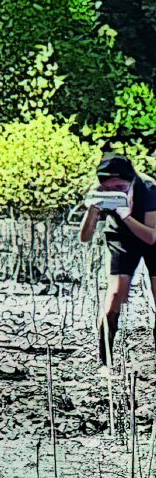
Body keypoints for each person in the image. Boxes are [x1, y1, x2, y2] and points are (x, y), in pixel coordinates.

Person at [80, 155, 156, 365]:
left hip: (151, 233)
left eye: (120, 188)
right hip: (121, 236)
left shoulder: (149, 189)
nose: (115, 192)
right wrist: (92, 211)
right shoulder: (100, 192)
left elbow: (151, 237)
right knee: (115, 294)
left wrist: (125, 215)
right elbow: (85, 238)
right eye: (109, 189)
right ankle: (105, 358)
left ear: (131, 182)